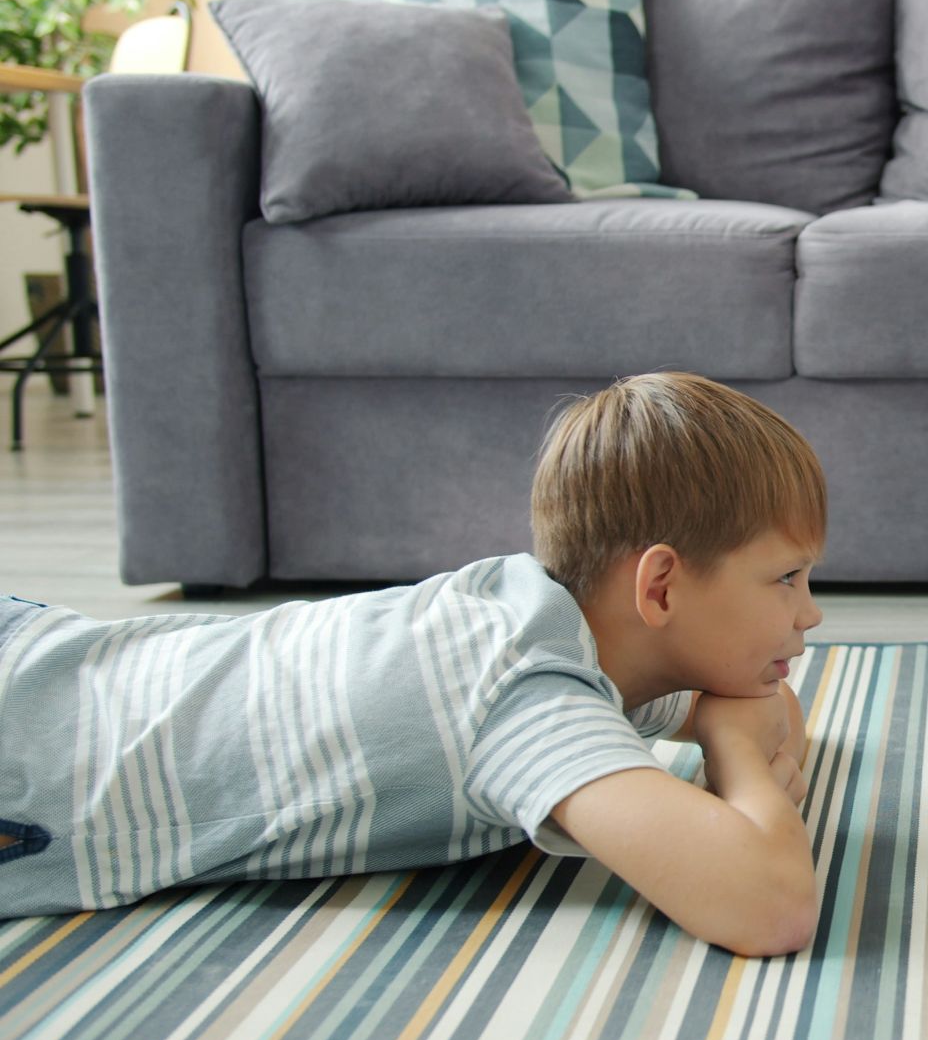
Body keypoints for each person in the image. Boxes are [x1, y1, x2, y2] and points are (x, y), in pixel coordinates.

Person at [0, 373, 825, 956]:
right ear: (660, 586)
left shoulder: (546, 617)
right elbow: (768, 906)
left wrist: (732, 714)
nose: (810, 612)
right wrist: (736, 752)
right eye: (784, 578)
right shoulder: (521, 695)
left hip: (49, 655)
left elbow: (776, 714)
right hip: (34, 759)